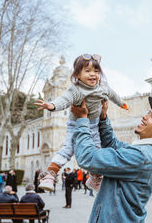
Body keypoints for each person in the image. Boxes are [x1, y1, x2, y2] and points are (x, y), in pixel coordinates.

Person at [71, 96, 152, 222]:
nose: (145, 116)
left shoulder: (142, 156)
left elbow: (87, 157)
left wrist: (81, 120)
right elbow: (112, 144)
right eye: (148, 113)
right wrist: (103, 117)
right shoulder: (147, 152)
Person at [35, 54, 128, 192]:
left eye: (96, 71)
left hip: (94, 124)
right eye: (87, 71)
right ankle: (50, 174)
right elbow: (64, 100)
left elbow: (113, 94)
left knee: (96, 151)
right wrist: (52, 106)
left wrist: (122, 104)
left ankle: (95, 178)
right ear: (77, 75)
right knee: (68, 148)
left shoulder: (102, 86)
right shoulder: (76, 89)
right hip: (76, 123)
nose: (93, 74)